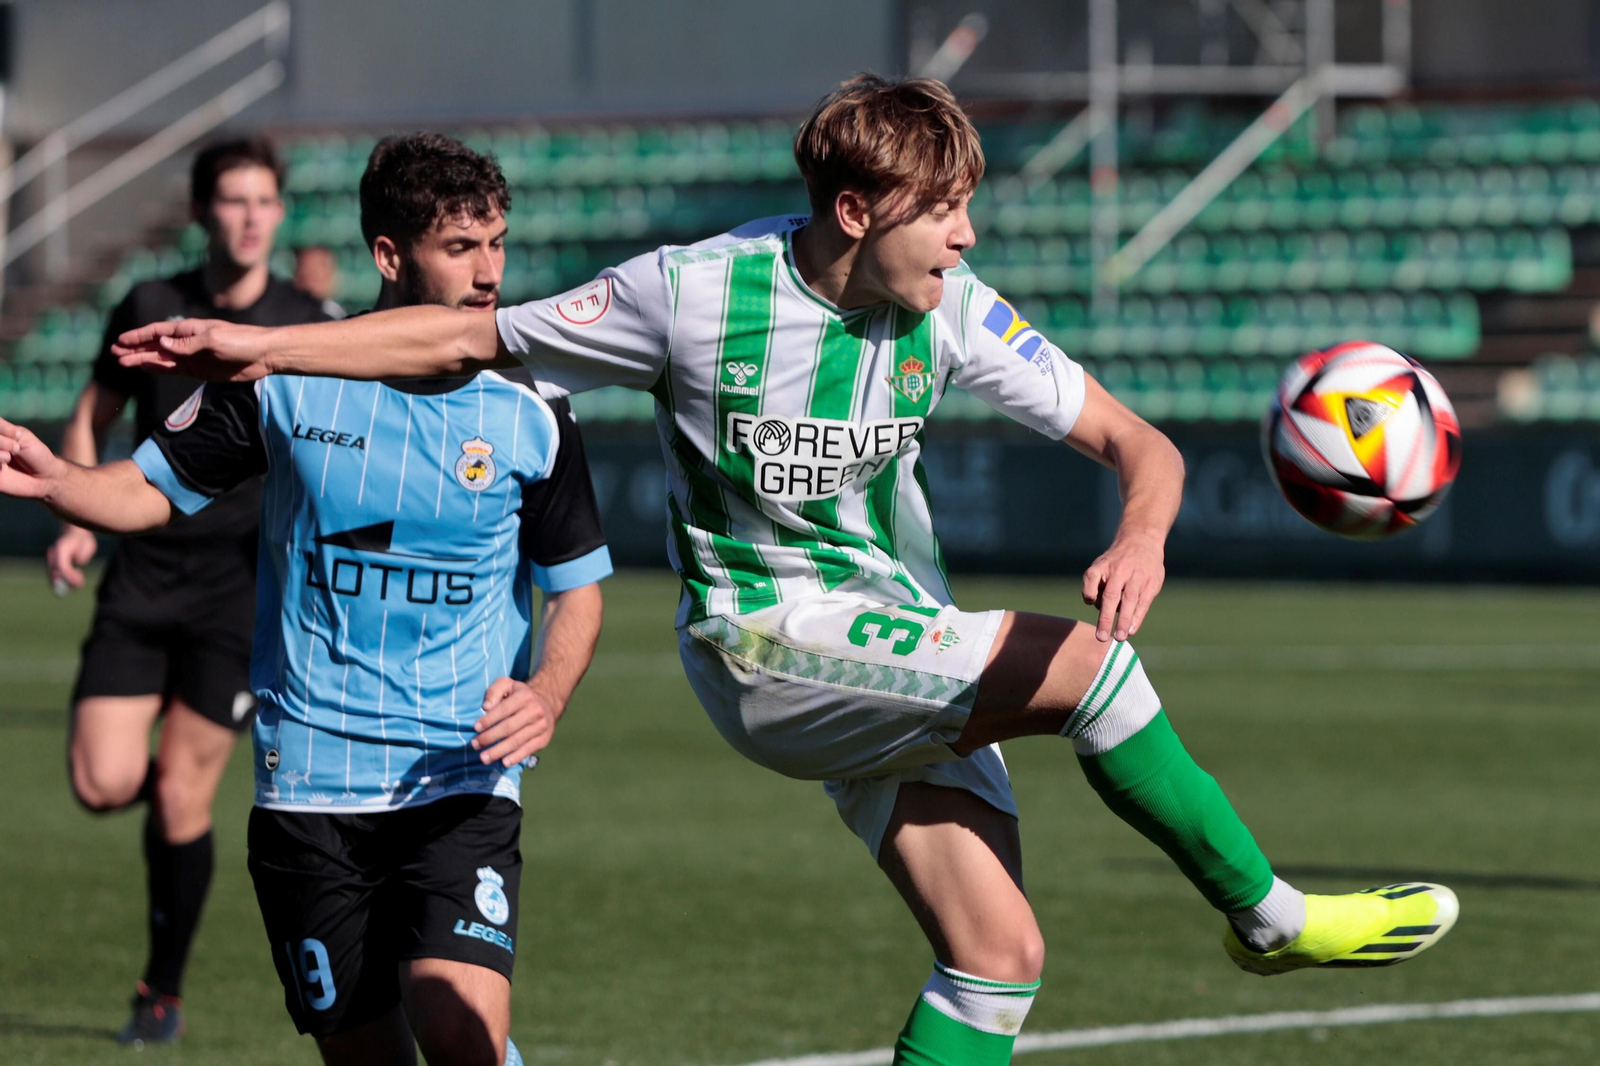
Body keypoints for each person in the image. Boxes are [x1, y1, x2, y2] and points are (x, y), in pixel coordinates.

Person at [109, 79, 1459, 1065]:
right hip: (766, 644)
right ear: (859, 210)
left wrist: (1144, 524)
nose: (970, 243)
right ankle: (1271, 916)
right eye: (948, 217)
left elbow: (1138, 443)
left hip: (888, 641)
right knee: (1095, 673)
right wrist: (271, 348)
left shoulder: (955, 310)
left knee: (998, 958)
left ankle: (1243, 920)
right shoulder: (695, 292)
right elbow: (463, 343)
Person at [8, 132, 611, 1066]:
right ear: (389, 255)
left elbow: (575, 591)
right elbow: (148, 488)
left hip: (460, 776)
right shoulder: (284, 376)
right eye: (461, 248)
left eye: (497, 242)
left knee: (459, 1023)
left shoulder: (535, 404)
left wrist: (547, 694)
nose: (491, 271)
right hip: (309, 790)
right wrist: (58, 482)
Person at [43, 136, 331, 1045]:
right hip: (142, 572)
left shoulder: (306, 322)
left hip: (238, 590)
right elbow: (92, 407)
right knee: (102, 781)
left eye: (265, 201)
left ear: (280, 213)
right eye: (234, 200)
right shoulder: (150, 304)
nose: (251, 216)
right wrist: (81, 510)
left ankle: (159, 993)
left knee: (181, 796)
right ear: (205, 212)